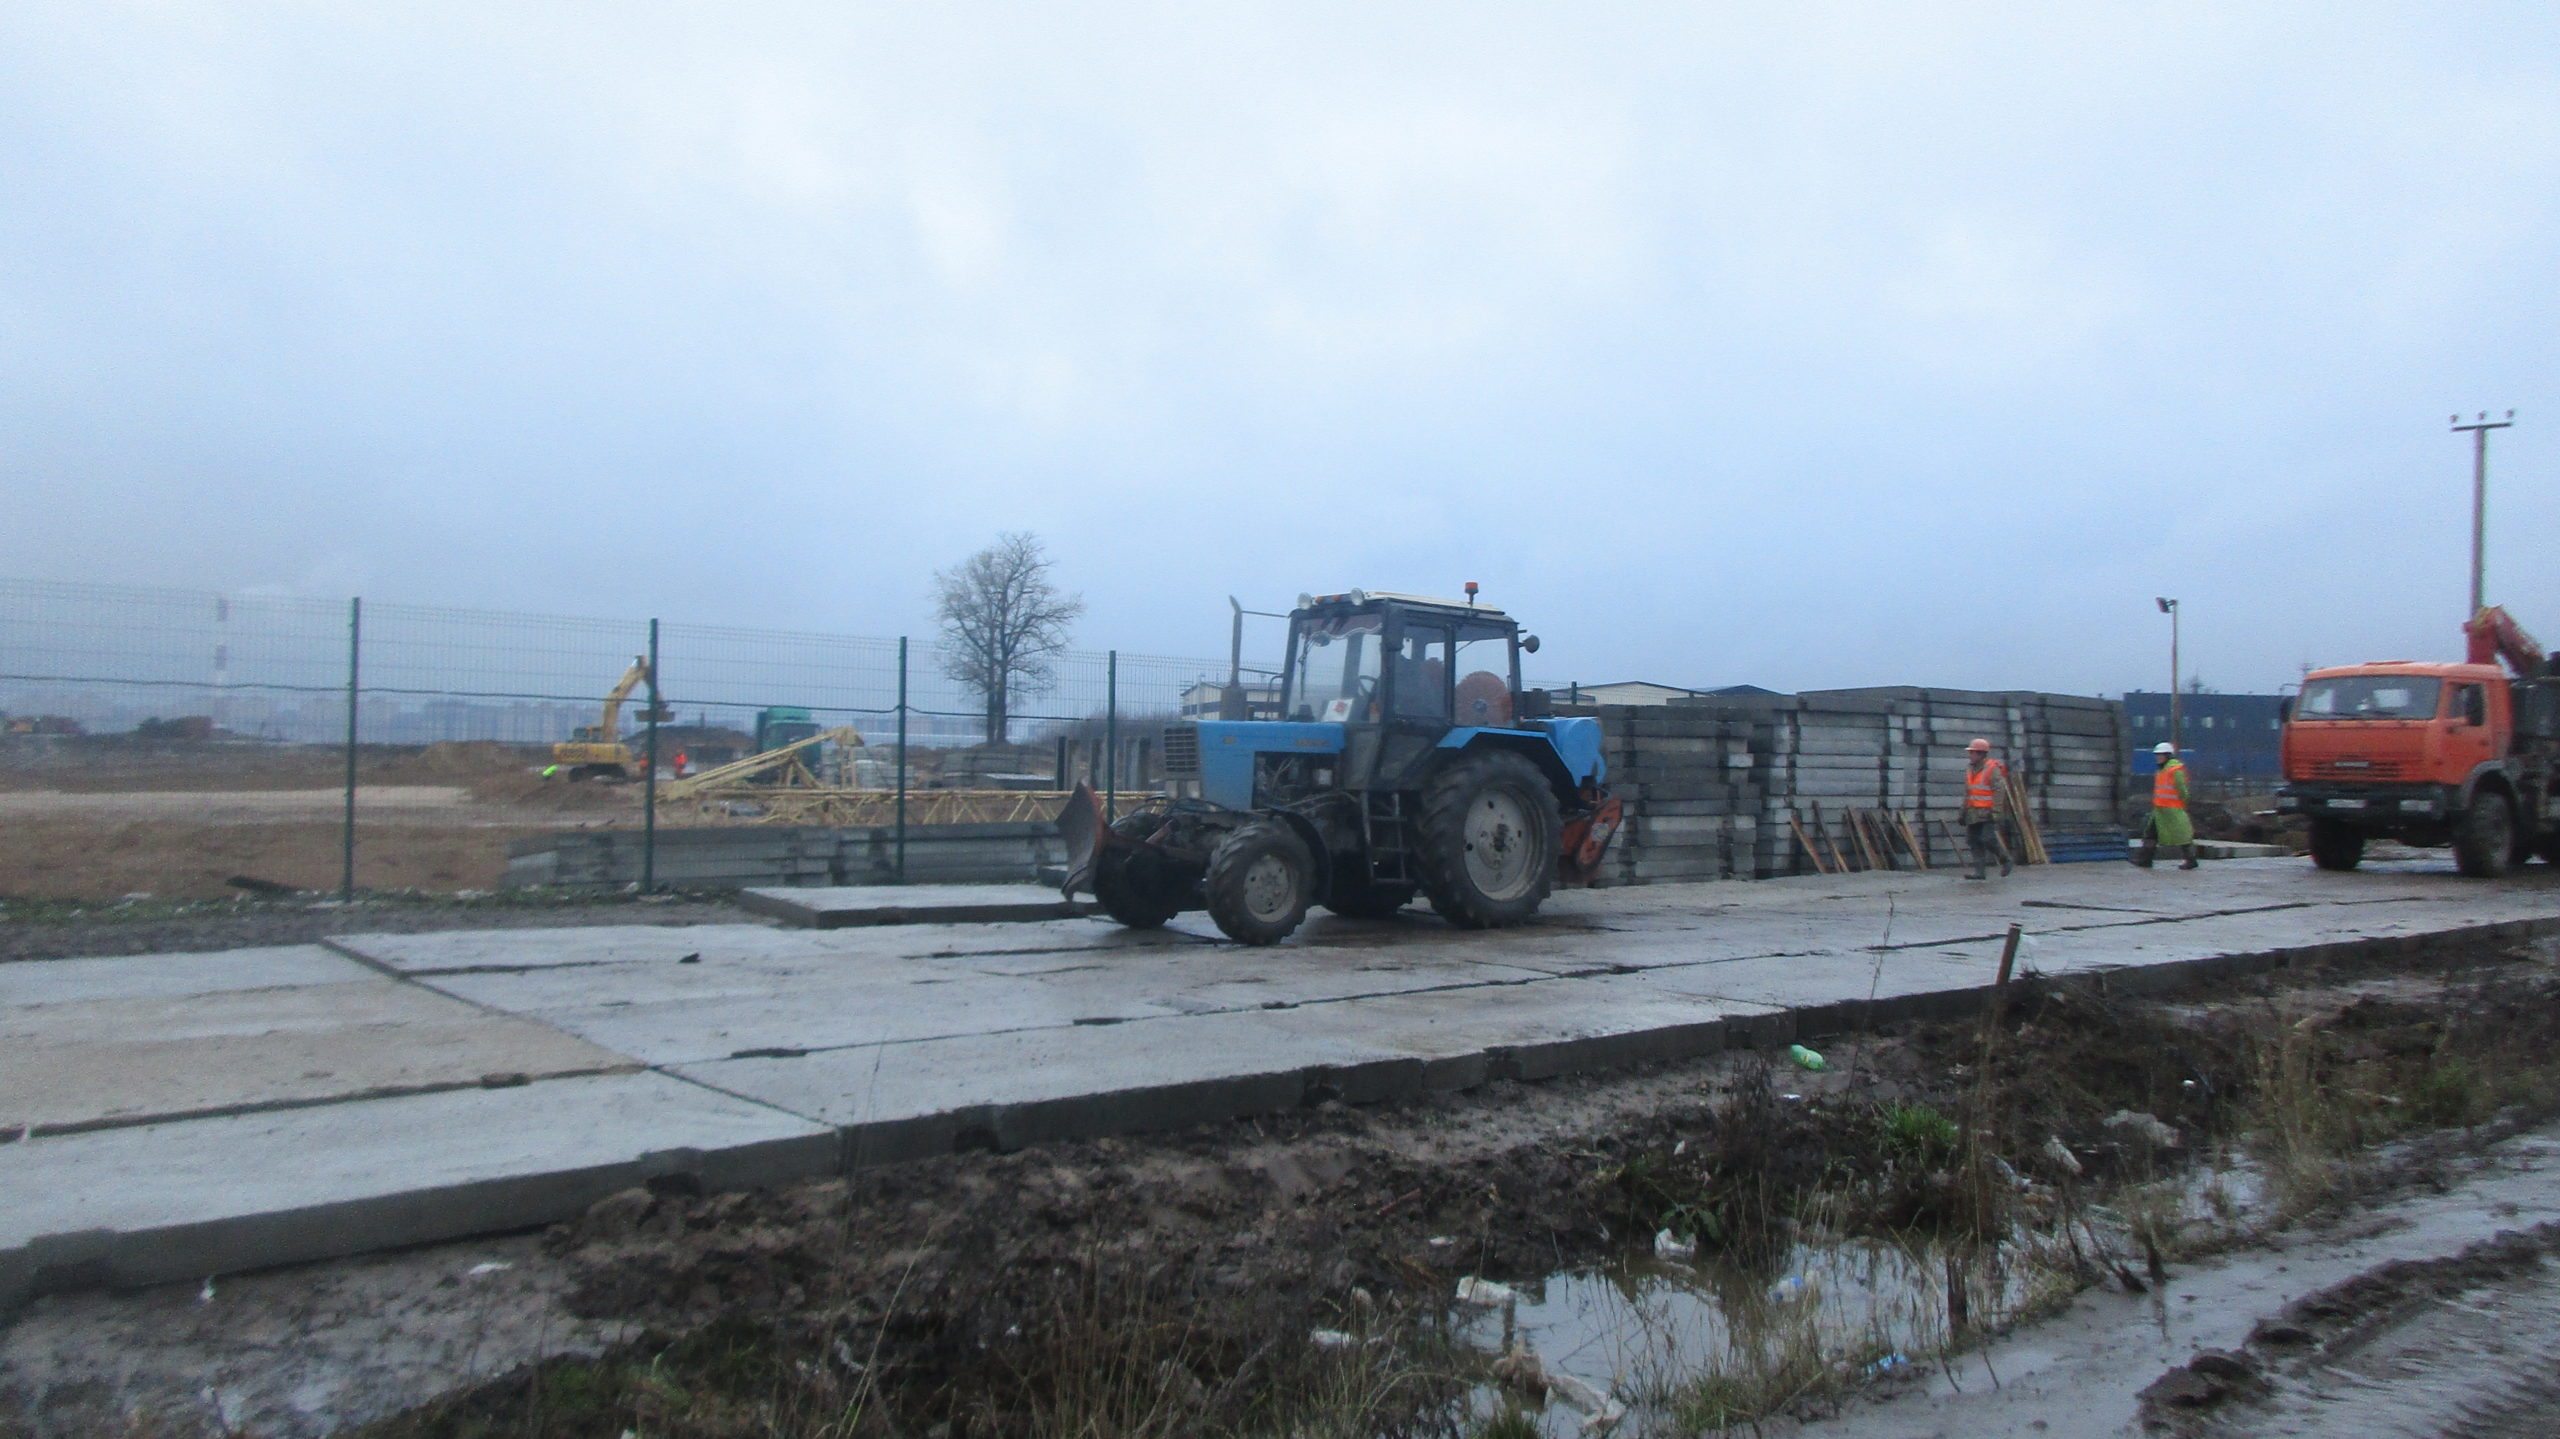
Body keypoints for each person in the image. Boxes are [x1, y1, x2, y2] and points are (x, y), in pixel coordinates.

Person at [2139, 741, 2199, 870]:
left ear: (2168, 755)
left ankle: (2191, 859)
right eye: (2157, 755)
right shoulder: (2163, 770)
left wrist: (2183, 803)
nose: (2158, 757)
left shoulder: (2174, 769)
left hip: (2173, 809)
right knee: (2150, 834)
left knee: (2182, 835)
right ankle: (2145, 860)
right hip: (2160, 809)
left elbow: (2182, 790)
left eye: (2160, 755)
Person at [1961, 737, 2012, 880]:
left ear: (1980, 754)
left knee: (1988, 839)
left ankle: (2005, 860)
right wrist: (1963, 812)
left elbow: (1999, 791)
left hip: (1987, 812)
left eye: (1972, 753)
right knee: (1973, 840)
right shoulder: (1970, 769)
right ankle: (1979, 872)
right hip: (1973, 812)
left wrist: (1996, 812)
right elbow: (1969, 792)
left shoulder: (1992, 769)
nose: (1969, 755)